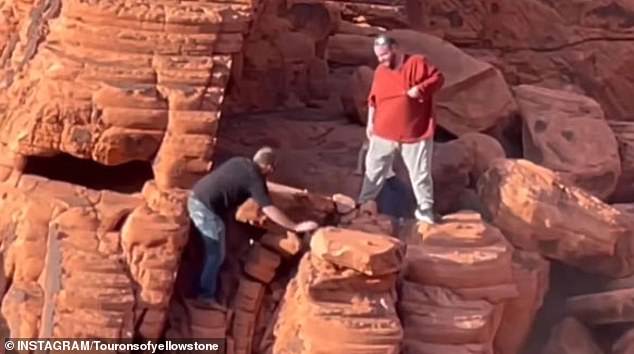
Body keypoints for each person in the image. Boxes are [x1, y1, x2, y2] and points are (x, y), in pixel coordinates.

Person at [187, 146, 319, 309]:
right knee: (216, 255)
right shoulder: (254, 178)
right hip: (205, 210)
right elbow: (268, 209)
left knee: (221, 244)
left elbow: (266, 187)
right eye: (272, 169)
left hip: (196, 195)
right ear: (268, 167)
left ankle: (204, 282)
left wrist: (294, 192)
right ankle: (204, 296)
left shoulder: (240, 162)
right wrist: (295, 226)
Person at [358, 34, 445, 224]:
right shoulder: (380, 71)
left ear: (395, 48)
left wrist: (420, 89)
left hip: (414, 132)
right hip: (383, 131)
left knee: (420, 172)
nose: (381, 60)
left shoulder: (416, 62)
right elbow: (374, 99)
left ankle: (425, 208)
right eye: (378, 56)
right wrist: (370, 123)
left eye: (384, 55)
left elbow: (438, 78)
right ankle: (363, 204)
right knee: (373, 168)